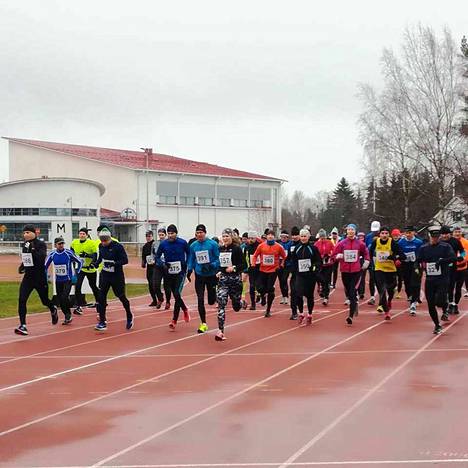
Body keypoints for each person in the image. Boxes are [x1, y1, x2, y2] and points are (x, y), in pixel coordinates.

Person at [15, 225, 58, 335]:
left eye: (28, 232)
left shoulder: (41, 244)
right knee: (22, 299)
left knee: (44, 301)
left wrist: (32, 250)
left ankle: (52, 307)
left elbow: (41, 258)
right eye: (24, 233)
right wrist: (22, 266)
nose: (25, 235)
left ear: (34, 233)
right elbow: (26, 258)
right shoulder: (25, 244)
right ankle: (23, 325)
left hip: (40, 278)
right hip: (28, 277)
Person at [92, 228, 134, 332]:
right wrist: (95, 264)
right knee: (101, 297)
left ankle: (129, 315)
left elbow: (125, 260)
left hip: (117, 276)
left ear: (110, 239)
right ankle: (102, 321)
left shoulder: (118, 247)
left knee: (121, 296)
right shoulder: (101, 246)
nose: (103, 243)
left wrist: (114, 263)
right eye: (102, 241)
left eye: (105, 241)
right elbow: (100, 258)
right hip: (105, 275)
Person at [417, 226, 457, 334]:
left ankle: (445, 307)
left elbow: (453, 258)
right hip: (430, 279)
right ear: (429, 236)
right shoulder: (424, 248)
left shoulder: (445, 247)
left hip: (443, 278)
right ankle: (437, 325)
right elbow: (418, 261)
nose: (435, 239)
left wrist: (442, 261)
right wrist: (418, 268)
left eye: (437, 237)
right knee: (430, 303)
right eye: (433, 237)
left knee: (439, 301)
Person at [155, 224, 190, 330]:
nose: (170, 235)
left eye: (172, 233)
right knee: (173, 293)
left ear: (176, 233)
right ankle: (184, 308)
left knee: (176, 294)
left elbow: (189, 254)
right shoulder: (163, 244)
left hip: (180, 272)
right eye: (169, 233)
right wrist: (163, 264)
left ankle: (174, 320)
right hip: (169, 272)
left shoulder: (182, 242)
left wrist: (186, 264)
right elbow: (157, 257)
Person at [333, 223, 370, 325]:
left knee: (353, 292)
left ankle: (350, 316)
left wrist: (366, 261)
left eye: (352, 230)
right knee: (349, 292)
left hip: (356, 271)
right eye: (349, 230)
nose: (350, 232)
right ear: (346, 232)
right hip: (345, 271)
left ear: (355, 232)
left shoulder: (360, 244)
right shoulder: (342, 243)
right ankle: (355, 303)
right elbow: (333, 255)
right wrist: (337, 256)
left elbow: (366, 253)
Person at [187, 224, 220, 333]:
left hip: (211, 275)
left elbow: (218, 259)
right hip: (199, 275)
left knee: (211, 300)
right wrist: (190, 269)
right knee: (200, 299)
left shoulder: (213, 244)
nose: (199, 234)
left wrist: (212, 265)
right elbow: (191, 258)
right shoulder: (193, 246)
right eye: (198, 233)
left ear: (205, 233)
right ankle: (203, 323)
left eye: (201, 232)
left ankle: (213, 296)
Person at [215, 228, 246, 341]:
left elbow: (244, 264)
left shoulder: (237, 249)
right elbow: (219, 264)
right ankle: (220, 331)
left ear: (232, 237)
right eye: (223, 236)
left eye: (227, 236)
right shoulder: (220, 249)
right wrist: (218, 271)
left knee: (236, 306)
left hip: (235, 281)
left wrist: (233, 268)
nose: (225, 238)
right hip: (223, 281)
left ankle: (241, 303)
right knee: (221, 304)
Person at [45, 237, 83, 325]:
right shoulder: (52, 254)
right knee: (60, 300)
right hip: (58, 281)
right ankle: (67, 315)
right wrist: (46, 276)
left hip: (68, 280)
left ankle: (71, 310)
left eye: (62, 243)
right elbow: (45, 266)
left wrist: (76, 273)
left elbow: (80, 262)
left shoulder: (68, 253)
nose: (61, 245)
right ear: (55, 245)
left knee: (64, 297)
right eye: (59, 244)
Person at [369, 226, 404, 320]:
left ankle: (389, 301)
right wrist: (370, 262)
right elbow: (370, 252)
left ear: (389, 235)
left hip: (391, 270)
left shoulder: (392, 242)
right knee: (382, 289)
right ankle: (387, 311)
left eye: (386, 233)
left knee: (390, 290)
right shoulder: (375, 242)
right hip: (379, 269)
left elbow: (402, 255)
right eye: (382, 233)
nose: (384, 235)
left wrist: (395, 258)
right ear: (379, 234)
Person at [252, 229, 286, 317]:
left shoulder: (279, 247)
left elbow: (284, 257)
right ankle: (262, 295)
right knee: (259, 287)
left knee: (270, 289)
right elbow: (255, 255)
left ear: (274, 237)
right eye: (269, 235)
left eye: (272, 235)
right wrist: (253, 264)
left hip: (273, 271)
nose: (270, 236)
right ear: (266, 236)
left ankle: (268, 310)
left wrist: (281, 265)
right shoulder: (261, 246)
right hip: (262, 270)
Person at [291, 229, 322, 325]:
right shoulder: (297, 248)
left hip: (310, 276)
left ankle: (309, 314)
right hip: (300, 275)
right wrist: (294, 271)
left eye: (305, 236)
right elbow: (294, 261)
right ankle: (301, 313)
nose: (303, 238)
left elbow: (318, 261)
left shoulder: (313, 248)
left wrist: (314, 267)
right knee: (298, 294)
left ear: (308, 237)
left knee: (309, 296)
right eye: (302, 236)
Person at [70, 227, 99, 315]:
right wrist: (73, 262)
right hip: (80, 268)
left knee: (93, 286)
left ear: (87, 235)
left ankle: (99, 302)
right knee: (77, 286)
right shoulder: (74, 242)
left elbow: (95, 256)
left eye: (83, 234)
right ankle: (79, 306)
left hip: (90, 269)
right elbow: (71, 253)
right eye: (80, 234)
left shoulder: (91, 243)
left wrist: (87, 255)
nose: (81, 235)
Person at [440, 226, 465, 315]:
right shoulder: (439, 242)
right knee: (447, 287)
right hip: (443, 267)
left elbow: (462, 251)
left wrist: (461, 256)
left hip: (455, 267)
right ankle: (450, 303)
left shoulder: (455, 241)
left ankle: (454, 304)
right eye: (443, 234)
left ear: (449, 234)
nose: (444, 236)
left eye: (446, 234)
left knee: (455, 287)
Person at [398, 226, 423, 315]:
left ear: (414, 233)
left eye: (410, 232)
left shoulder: (418, 242)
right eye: (407, 233)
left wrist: (418, 260)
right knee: (407, 282)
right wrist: (401, 257)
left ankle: (413, 302)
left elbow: (421, 253)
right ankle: (410, 295)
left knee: (415, 282)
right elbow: (399, 252)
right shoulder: (401, 242)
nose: (408, 234)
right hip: (405, 264)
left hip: (415, 264)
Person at [151, 228, 173, 309]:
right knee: (155, 285)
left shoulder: (169, 243)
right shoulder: (155, 243)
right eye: (159, 235)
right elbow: (152, 253)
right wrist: (152, 260)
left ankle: (168, 301)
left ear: (165, 235)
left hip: (167, 266)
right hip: (158, 266)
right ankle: (160, 298)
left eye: (162, 235)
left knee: (167, 286)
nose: (161, 237)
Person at [314, 228, 334, 305]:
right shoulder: (316, 244)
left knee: (327, 280)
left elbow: (334, 251)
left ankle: (326, 296)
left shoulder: (329, 243)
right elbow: (314, 253)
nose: (322, 239)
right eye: (321, 237)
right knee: (320, 278)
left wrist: (330, 256)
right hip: (320, 265)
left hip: (328, 265)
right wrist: (319, 257)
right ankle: (321, 288)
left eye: (324, 237)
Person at [244, 231, 261, 310]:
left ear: (255, 238)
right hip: (251, 269)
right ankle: (253, 304)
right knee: (252, 286)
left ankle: (262, 296)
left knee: (259, 286)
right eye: (249, 238)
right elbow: (245, 258)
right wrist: (246, 268)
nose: (250, 240)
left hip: (259, 268)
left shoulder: (259, 246)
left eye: (252, 238)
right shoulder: (247, 247)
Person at [141, 230, 159, 307]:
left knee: (154, 284)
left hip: (156, 267)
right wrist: (143, 263)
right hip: (149, 267)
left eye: (149, 236)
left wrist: (156, 261)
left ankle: (159, 298)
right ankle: (154, 300)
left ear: (152, 236)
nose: (148, 238)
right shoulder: (145, 246)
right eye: (147, 236)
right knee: (150, 285)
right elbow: (143, 256)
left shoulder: (156, 244)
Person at [365, 221, 380, 306]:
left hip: (381, 262)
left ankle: (382, 297)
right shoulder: (368, 237)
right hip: (371, 261)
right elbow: (366, 248)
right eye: (373, 230)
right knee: (372, 279)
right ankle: (372, 296)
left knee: (380, 280)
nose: (375, 232)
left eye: (376, 231)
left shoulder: (383, 236)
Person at [288, 226, 301, 320]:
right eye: (293, 235)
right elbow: (288, 257)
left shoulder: (302, 244)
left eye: (296, 235)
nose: (294, 237)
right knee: (293, 292)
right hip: (294, 272)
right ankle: (294, 312)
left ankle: (302, 310)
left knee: (300, 293)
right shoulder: (291, 245)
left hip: (303, 273)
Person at [277, 230, 292, 304]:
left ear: (287, 237)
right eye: (281, 237)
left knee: (284, 279)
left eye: (284, 237)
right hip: (279, 265)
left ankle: (286, 296)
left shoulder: (290, 244)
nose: (283, 238)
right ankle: (283, 296)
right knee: (281, 281)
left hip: (287, 265)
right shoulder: (278, 244)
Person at [391, 229, 404, 298]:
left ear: (399, 235)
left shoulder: (401, 242)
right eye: (394, 236)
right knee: (393, 277)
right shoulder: (390, 242)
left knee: (400, 278)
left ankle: (398, 292)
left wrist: (399, 259)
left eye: (397, 235)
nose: (395, 237)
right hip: (392, 263)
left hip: (400, 263)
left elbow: (403, 253)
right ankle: (393, 288)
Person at [357, 231, 367, 299]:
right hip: (356, 262)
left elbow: (367, 253)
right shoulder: (356, 244)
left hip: (363, 261)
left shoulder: (365, 244)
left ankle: (361, 293)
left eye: (362, 237)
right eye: (359, 237)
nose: (361, 238)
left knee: (363, 277)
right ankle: (357, 291)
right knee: (357, 277)